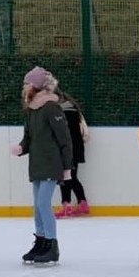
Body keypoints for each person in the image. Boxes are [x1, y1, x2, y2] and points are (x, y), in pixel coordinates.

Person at [11, 67, 73, 266]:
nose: (24, 87)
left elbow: (65, 139)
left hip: (51, 164)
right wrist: (21, 147)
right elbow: (29, 137)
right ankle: (40, 242)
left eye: (27, 84)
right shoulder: (31, 109)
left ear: (36, 86)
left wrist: (66, 167)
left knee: (43, 205)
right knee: (37, 207)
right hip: (37, 164)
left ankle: (51, 245)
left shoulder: (51, 108)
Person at [54, 89, 91, 218]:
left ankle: (66, 205)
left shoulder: (59, 112)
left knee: (65, 177)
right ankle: (83, 203)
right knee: (73, 177)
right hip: (77, 149)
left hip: (66, 149)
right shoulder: (75, 111)